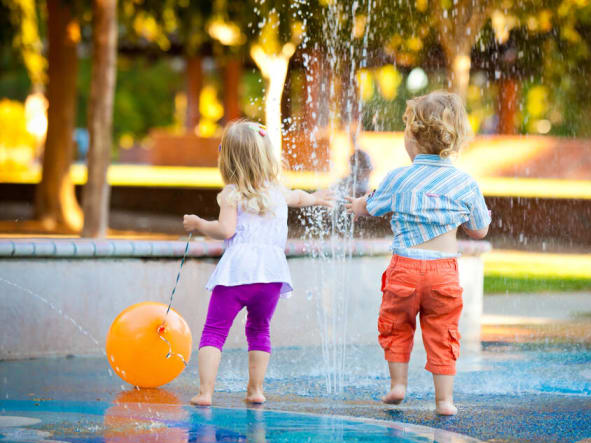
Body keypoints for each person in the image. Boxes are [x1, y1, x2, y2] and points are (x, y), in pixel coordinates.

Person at [345, 91, 490, 416]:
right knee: (442, 332)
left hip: (405, 269)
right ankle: (444, 401)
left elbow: (371, 206)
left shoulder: (398, 178)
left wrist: (356, 205)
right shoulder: (465, 183)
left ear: (412, 137)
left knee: (397, 324)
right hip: (443, 273)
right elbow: (479, 229)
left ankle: (398, 385)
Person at [184, 120, 334, 406]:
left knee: (214, 331)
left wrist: (200, 224)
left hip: (237, 274)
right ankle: (255, 390)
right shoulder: (276, 193)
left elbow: (226, 230)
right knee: (259, 329)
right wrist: (316, 198)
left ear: (227, 159)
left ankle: (205, 393)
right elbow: (299, 198)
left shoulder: (231, 193)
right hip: (271, 276)